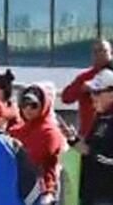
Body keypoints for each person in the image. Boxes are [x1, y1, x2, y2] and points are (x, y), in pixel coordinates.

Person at [64, 68, 113, 205]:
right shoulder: (101, 117)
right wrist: (75, 140)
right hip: (90, 194)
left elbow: (108, 159)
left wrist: (87, 151)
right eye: (91, 92)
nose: (92, 97)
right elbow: (91, 147)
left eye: (97, 92)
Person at [10, 85, 64, 205]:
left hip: (42, 193)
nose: (28, 109)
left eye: (34, 105)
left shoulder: (50, 132)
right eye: (24, 104)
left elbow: (34, 158)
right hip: (18, 191)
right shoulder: (15, 131)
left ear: (43, 105)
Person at [61, 39, 113, 137]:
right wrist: (82, 89)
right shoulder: (85, 77)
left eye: (103, 50)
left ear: (111, 52)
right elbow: (66, 97)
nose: (99, 54)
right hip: (88, 133)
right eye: (95, 51)